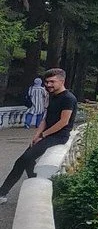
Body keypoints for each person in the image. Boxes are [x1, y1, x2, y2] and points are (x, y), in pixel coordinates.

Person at [0, 69, 77, 203]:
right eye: (47, 82)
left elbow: (63, 122)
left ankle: (2, 193)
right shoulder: (52, 96)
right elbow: (45, 119)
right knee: (27, 160)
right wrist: (37, 135)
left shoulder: (68, 98)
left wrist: (43, 135)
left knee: (24, 159)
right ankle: (35, 185)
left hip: (59, 136)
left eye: (52, 82)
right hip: (46, 135)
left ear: (62, 81)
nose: (48, 85)